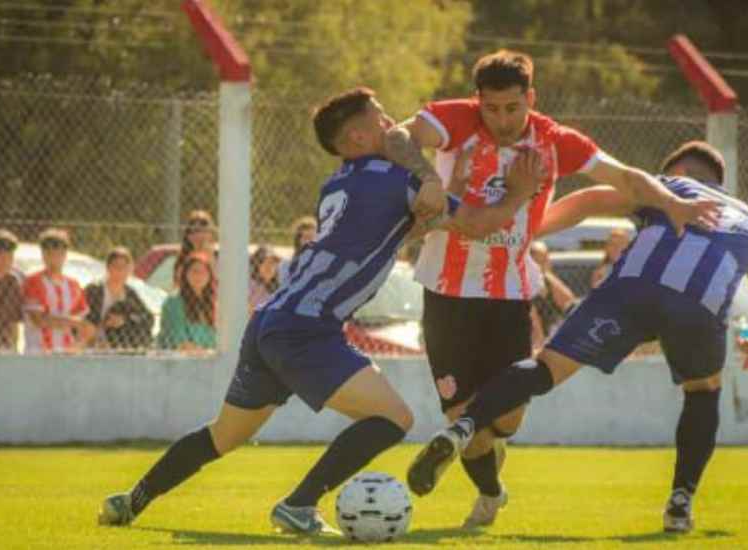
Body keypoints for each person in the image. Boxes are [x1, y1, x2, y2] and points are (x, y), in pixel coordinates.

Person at [98, 86, 540, 534]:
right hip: (307, 328)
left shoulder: (339, 184)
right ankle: (299, 504)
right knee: (393, 419)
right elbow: (481, 226)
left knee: (223, 435)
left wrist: (432, 204)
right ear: (355, 138)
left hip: (271, 319)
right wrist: (519, 193)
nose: (394, 126)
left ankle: (131, 501)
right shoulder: (395, 179)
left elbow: (373, 238)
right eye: (382, 119)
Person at [384, 49, 720, 528]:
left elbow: (623, 175)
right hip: (445, 291)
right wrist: (425, 177)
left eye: (512, 108)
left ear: (531, 99)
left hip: (509, 294)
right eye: (491, 108)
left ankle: (485, 457)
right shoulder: (455, 119)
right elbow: (398, 136)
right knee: (464, 419)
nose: (501, 119)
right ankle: (491, 493)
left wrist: (670, 202)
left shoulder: (556, 141)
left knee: (507, 420)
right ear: (478, 100)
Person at [407, 141, 748, 534]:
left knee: (547, 368)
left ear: (678, 171)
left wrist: (523, 230)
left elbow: (590, 200)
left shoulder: (670, 187)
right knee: (703, 390)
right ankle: (680, 503)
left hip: (630, 288)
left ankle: (464, 426)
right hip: (698, 304)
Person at [23, 228, 94, 353]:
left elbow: (85, 324)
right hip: (39, 352)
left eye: (57, 253)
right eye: (47, 253)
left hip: (66, 353)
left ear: (65, 254)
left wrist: (78, 345)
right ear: (43, 254)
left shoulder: (73, 285)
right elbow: (38, 320)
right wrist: (74, 322)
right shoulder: (33, 281)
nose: (52, 258)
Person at [84, 247, 154, 351]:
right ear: (108, 268)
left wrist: (125, 320)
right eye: (116, 266)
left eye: (124, 267)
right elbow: (84, 319)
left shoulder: (130, 293)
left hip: (121, 346)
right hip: (94, 345)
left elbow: (148, 318)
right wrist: (104, 324)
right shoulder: (95, 290)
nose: (120, 271)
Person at [158, 251, 216, 353]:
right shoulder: (174, 302)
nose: (199, 276)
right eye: (194, 271)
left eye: (203, 272)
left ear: (210, 276)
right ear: (185, 274)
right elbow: (180, 342)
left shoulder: (212, 304)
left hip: (210, 359)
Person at [528, 240, 577, 350]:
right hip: (532, 343)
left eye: (544, 259)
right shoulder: (522, 287)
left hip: (552, 337)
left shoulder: (548, 281)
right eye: (537, 260)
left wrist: (545, 274)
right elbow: (536, 331)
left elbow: (570, 302)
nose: (542, 263)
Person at [173, 210, 217, 287]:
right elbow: (178, 283)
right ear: (188, 236)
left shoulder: (220, 256)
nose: (198, 235)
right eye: (193, 231)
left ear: (210, 233)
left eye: (202, 231)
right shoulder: (183, 259)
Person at [277, 216, 317, 285]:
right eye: (306, 238)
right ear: (298, 240)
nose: (310, 241)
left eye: (313, 237)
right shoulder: (287, 263)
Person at [248, 245, 281, 313]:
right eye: (264, 262)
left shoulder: (277, 288)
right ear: (257, 265)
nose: (269, 266)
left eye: (272, 263)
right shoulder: (250, 284)